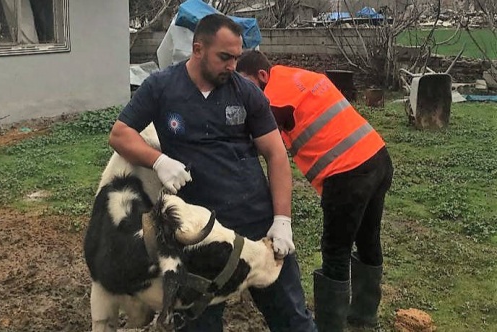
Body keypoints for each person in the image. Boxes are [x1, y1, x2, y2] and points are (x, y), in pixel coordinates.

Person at [109, 14, 317, 332]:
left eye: (236, 57)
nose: (232, 66)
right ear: (198, 49)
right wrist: (158, 161)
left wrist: (282, 221)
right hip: (200, 234)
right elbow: (120, 134)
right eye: (224, 57)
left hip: (256, 223)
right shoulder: (161, 87)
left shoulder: (246, 93)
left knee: (292, 317)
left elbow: (276, 154)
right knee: (198, 322)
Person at [236, 50, 394, 332]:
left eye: (245, 84)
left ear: (261, 76)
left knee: (335, 250)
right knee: (368, 239)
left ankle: (329, 326)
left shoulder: (273, 97)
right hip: (377, 156)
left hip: (347, 173)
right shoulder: (296, 76)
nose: (244, 93)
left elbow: (255, 138)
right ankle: (363, 315)